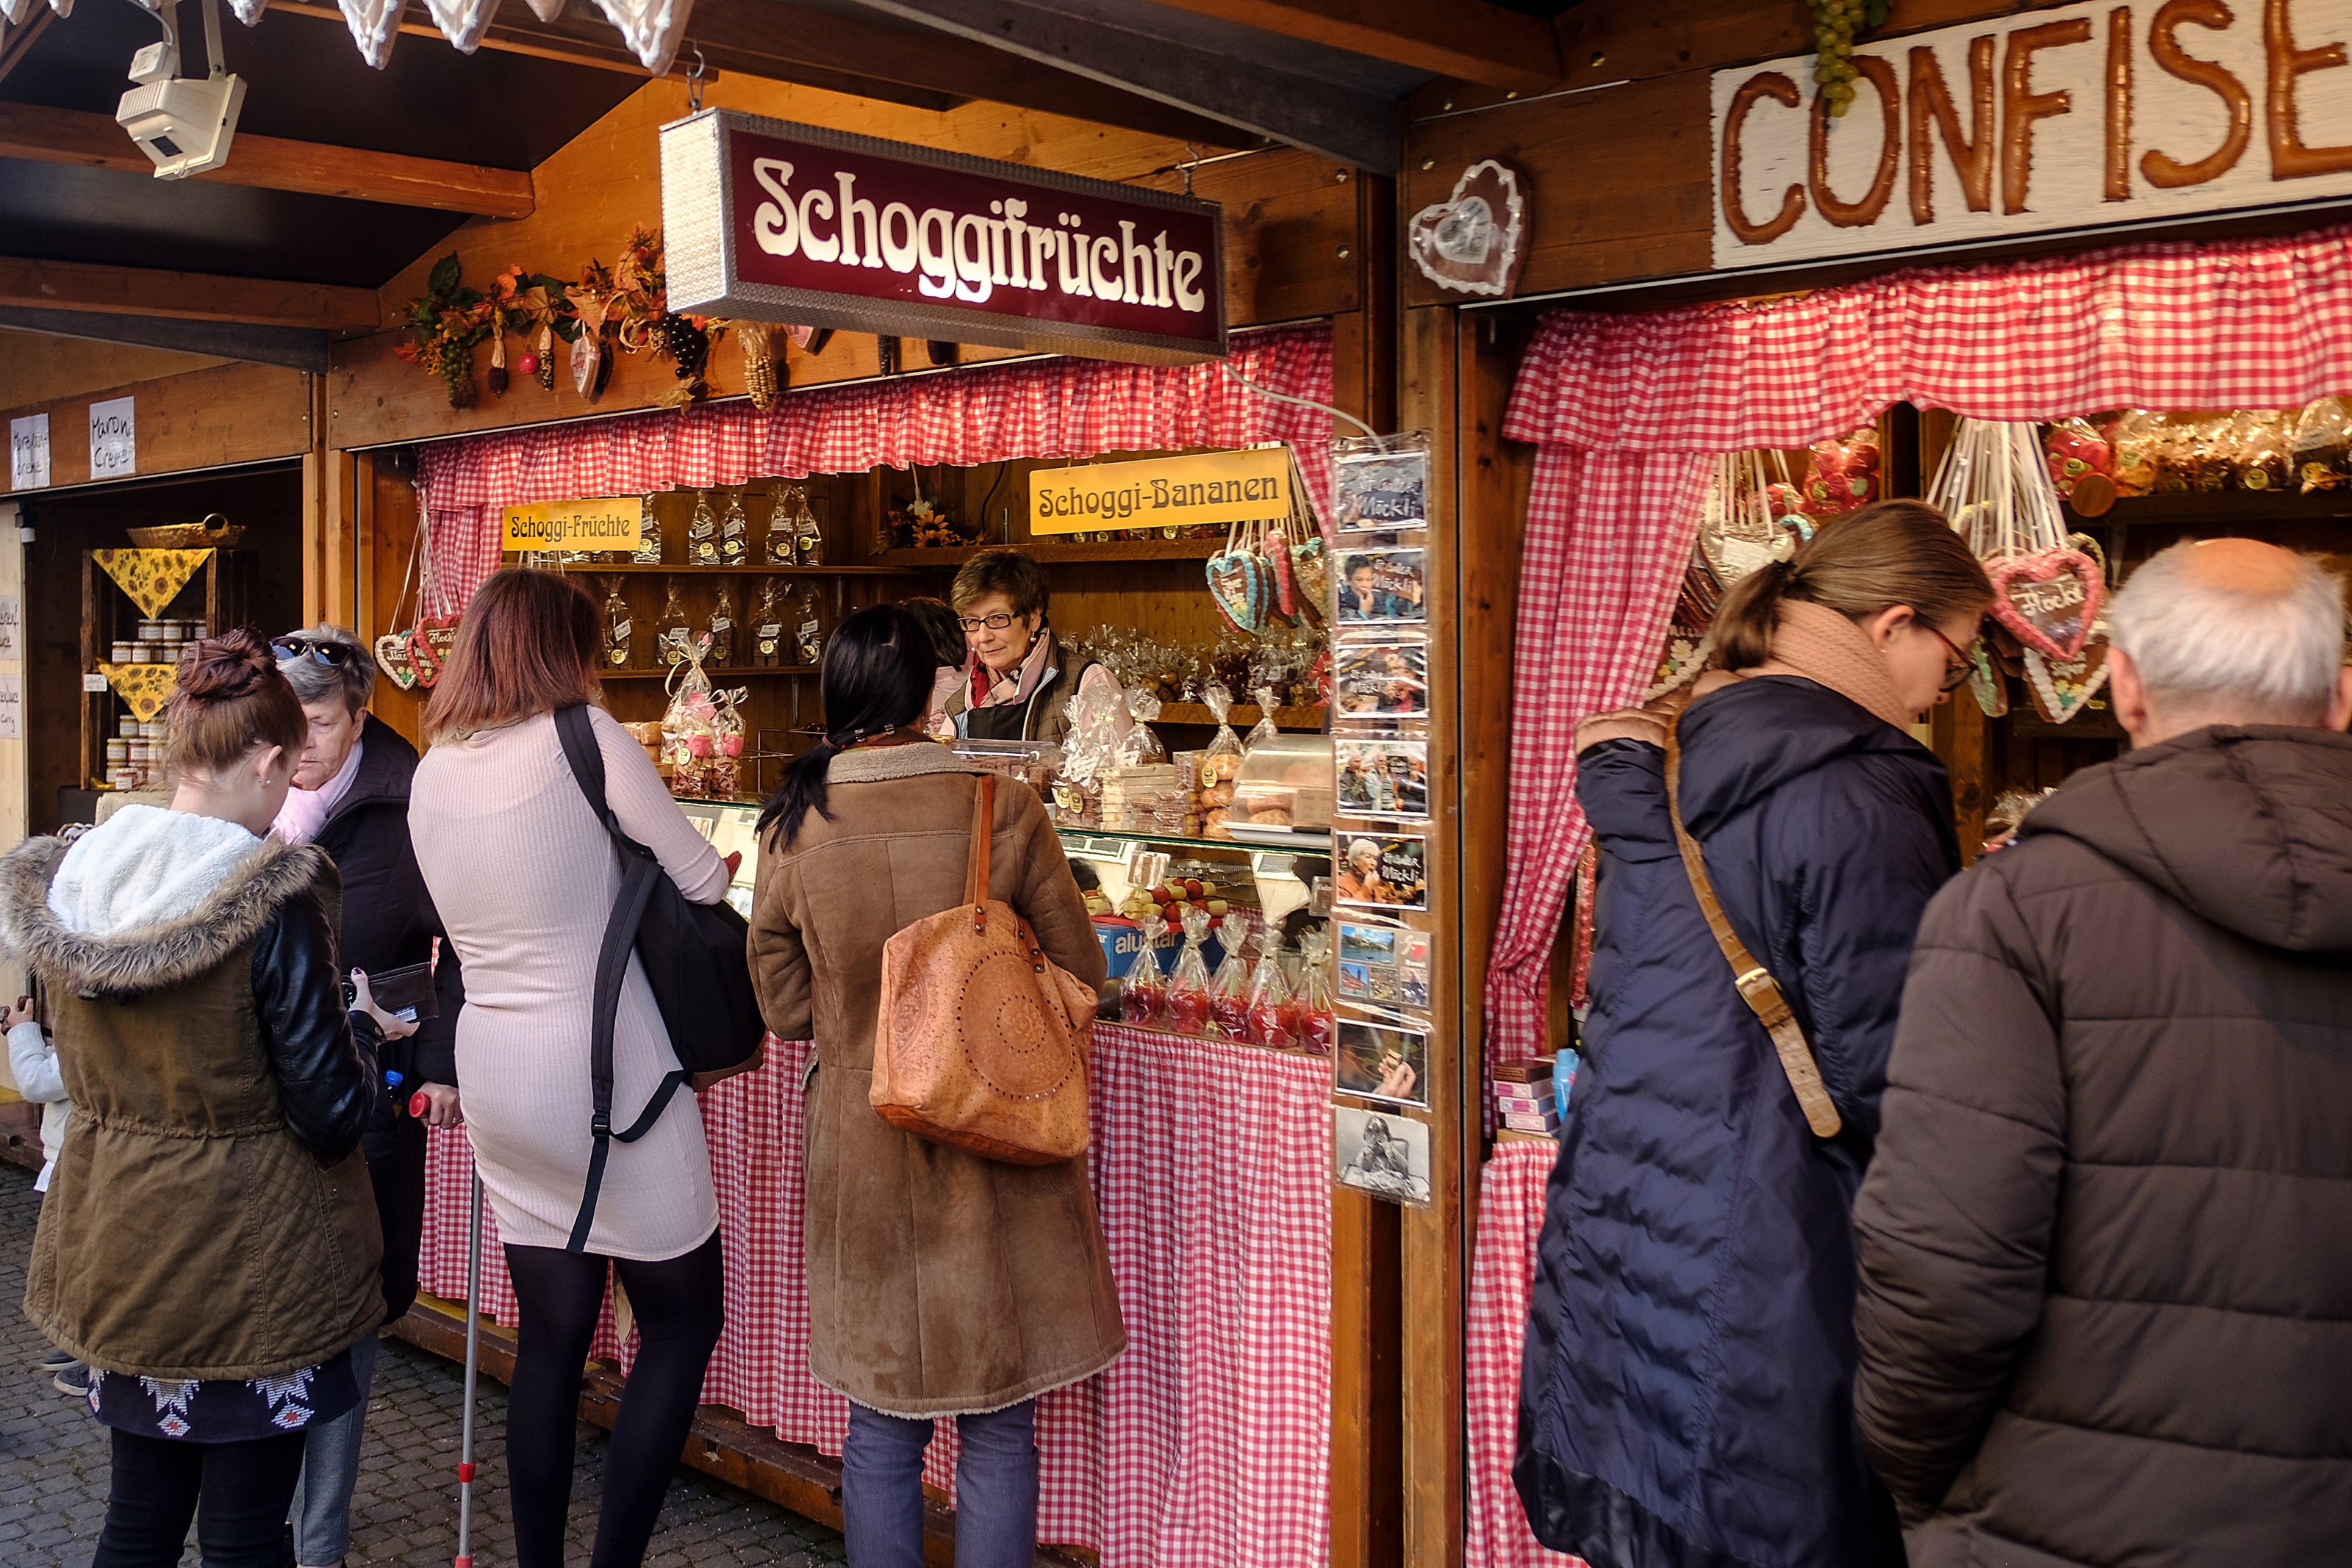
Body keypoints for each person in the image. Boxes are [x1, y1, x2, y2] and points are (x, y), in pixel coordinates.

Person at [1851, 539, 2352, 1568]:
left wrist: (1921, 1480)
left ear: (2123, 687)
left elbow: (1945, 1266)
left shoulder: (2013, 915)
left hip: (2071, 1517)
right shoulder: (2017, 915)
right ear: (2340, 699)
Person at [1517, 500, 1993, 1568]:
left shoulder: (1688, 743)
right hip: (1777, 1241)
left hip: (1632, 1223)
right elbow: (1895, 1071)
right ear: (1891, 624)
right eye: (1954, 661)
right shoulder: (1859, 785)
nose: (1942, 692)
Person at [0, 631, 409, 1567]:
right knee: (243, 1534)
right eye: (287, 774)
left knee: (136, 1523)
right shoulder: (271, 894)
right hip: (250, 1264)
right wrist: (358, 1035)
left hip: (122, 1243)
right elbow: (326, 1111)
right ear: (268, 759)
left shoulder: (80, 874)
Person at [749, 605, 1123, 1568]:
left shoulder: (793, 823)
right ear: (930, 689)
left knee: (881, 1432)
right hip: (1000, 1146)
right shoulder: (1001, 803)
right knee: (999, 1427)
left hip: (865, 1158)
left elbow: (787, 1009)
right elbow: (1082, 974)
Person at [408, 570, 729, 1568]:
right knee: (682, 1319)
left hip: (499, 1068)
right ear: (567, 647)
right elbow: (705, 877)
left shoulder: (433, 767)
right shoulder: (586, 734)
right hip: (607, 1069)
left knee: (549, 1339)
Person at [270, 624, 466, 1568]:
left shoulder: (410, 794)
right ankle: (262, 1515)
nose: (297, 739)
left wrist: (438, 1062)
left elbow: (458, 942)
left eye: (316, 718)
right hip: (261, 1095)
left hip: (372, 1086)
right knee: (267, 1301)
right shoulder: (247, 789)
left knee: (357, 1306)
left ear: (358, 716)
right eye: (285, 718)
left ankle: (320, 1539)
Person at [931, 547, 1121, 745]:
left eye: (997, 618)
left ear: (1033, 617)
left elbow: (1114, 773)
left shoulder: (1089, 684)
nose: (982, 636)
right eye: (972, 621)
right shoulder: (963, 701)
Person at [7, 992, 85, 1397]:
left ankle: (92, 1355)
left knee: (82, 1256)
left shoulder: (94, 1030)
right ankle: (77, 1343)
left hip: (79, 1157)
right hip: (73, 1155)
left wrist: (22, 1035)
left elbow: (39, 1083)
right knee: (73, 1255)